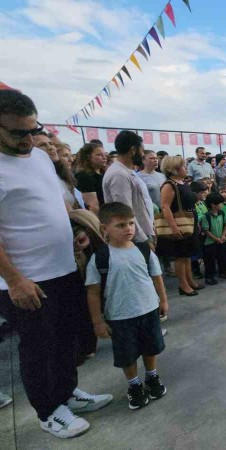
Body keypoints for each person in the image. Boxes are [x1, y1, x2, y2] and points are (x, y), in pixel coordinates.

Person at [0, 89, 112, 439]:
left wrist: (75, 231)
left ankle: (66, 393)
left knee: (67, 338)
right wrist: (15, 280)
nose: (29, 139)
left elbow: (53, 204)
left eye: (34, 130)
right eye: (18, 133)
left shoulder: (37, 157)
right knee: (39, 347)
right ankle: (49, 411)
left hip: (63, 266)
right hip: (27, 278)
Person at [85, 202, 168, 411]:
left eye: (131, 223)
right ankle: (134, 385)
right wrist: (98, 321)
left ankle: (151, 377)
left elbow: (156, 277)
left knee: (151, 346)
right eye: (121, 225)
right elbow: (93, 291)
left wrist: (163, 300)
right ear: (105, 229)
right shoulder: (100, 257)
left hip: (148, 309)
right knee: (127, 354)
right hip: (120, 316)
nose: (129, 228)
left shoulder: (143, 250)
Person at [157, 156, 203, 296]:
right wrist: (174, 227)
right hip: (180, 224)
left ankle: (190, 281)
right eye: (183, 166)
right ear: (175, 169)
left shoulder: (182, 182)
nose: (186, 168)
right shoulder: (169, 185)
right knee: (181, 256)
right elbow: (165, 207)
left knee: (187, 254)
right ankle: (183, 285)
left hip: (189, 222)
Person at [102, 131, 152, 246]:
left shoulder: (127, 172)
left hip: (141, 234)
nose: (143, 154)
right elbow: (125, 212)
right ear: (133, 150)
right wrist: (143, 239)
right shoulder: (118, 174)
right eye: (142, 150)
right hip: (134, 239)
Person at [200, 192, 226, 286]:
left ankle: (222, 272)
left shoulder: (222, 213)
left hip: (221, 240)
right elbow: (206, 230)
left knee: (222, 257)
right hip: (210, 242)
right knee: (210, 260)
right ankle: (209, 277)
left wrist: (223, 235)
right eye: (220, 203)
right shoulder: (206, 216)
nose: (222, 205)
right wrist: (216, 239)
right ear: (213, 205)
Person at [74, 142, 108, 212]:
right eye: (99, 155)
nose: (104, 158)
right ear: (88, 157)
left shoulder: (105, 173)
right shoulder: (84, 176)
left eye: (104, 154)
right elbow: (93, 206)